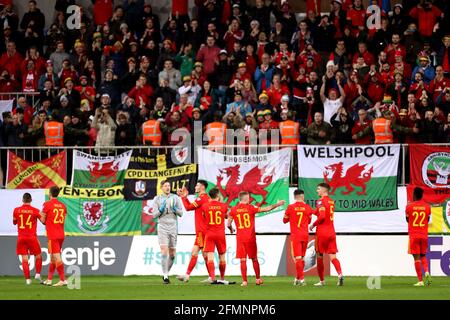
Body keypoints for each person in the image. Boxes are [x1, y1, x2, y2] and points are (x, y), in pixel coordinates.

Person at [227, 191, 285, 286]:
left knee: (242, 260)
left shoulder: (233, 210)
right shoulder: (251, 207)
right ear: (246, 198)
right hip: (250, 237)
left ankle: (244, 281)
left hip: (240, 238)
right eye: (249, 197)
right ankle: (258, 279)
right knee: (254, 259)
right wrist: (278, 204)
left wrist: (231, 229)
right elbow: (267, 208)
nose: (249, 199)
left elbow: (228, 224)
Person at [309, 183, 344, 286]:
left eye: (318, 189)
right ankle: (340, 274)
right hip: (331, 232)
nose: (317, 191)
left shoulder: (320, 201)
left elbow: (322, 216)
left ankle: (322, 281)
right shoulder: (331, 201)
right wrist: (308, 209)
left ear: (324, 191)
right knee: (333, 256)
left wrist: (313, 224)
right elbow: (319, 212)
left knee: (319, 256)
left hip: (322, 232)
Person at [176, 180, 210, 283]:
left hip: (202, 231)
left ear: (202, 187)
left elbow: (188, 208)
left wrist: (183, 197)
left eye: (197, 185)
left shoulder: (201, 198)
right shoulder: (204, 198)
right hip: (202, 231)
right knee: (196, 253)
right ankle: (187, 275)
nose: (195, 187)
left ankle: (211, 277)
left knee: (204, 255)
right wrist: (185, 197)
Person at [152, 180, 183, 284]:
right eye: (165, 186)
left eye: (169, 185)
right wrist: (160, 210)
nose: (167, 187)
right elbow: (154, 215)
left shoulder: (175, 198)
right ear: (162, 188)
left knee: (172, 254)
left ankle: (166, 273)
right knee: (164, 251)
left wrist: (175, 209)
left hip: (173, 227)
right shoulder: (157, 199)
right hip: (162, 227)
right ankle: (165, 276)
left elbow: (181, 213)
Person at [201, 187, 233, 285]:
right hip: (220, 234)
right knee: (222, 257)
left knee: (210, 257)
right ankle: (222, 278)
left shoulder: (205, 206)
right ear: (218, 195)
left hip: (209, 234)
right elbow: (227, 216)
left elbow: (204, 216)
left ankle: (212, 278)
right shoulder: (224, 206)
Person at [283, 189, 313, 286]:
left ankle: (302, 279)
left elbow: (284, 220)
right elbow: (309, 221)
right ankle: (298, 278)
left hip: (295, 235)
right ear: (302, 196)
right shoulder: (308, 207)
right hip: (305, 235)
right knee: (302, 258)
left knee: (298, 258)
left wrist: (291, 217)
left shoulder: (290, 207)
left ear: (295, 197)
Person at [13, 192, 43, 285]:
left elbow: (14, 222)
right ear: (31, 200)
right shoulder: (36, 210)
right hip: (32, 237)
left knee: (24, 258)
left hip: (21, 237)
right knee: (38, 255)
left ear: (22, 200)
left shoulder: (16, 210)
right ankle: (37, 274)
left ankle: (27, 280)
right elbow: (43, 221)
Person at [39, 186, 67, 286]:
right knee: (53, 257)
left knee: (57, 257)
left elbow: (43, 221)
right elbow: (63, 219)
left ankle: (63, 280)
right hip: (61, 234)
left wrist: (39, 215)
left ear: (50, 193)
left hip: (53, 235)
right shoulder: (63, 206)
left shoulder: (47, 204)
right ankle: (49, 279)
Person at [406, 187, 432, 286]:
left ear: (414, 195)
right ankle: (427, 272)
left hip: (414, 235)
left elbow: (407, 220)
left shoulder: (409, 207)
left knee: (416, 258)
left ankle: (420, 281)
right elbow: (428, 220)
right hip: (424, 234)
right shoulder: (427, 207)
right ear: (421, 195)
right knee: (423, 255)